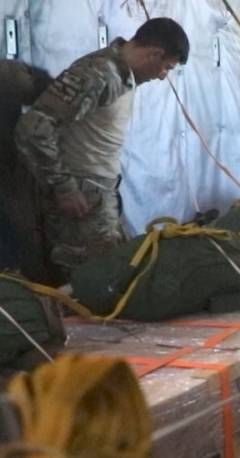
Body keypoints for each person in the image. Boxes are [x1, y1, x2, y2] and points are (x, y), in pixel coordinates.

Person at [14, 17, 189, 282]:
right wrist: (64, 188)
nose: (163, 76)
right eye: (167, 67)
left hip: (99, 194)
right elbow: (34, 127)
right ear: (155, 54)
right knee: (94, 284)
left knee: (114, 278)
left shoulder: (121, 76)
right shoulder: (99, 74)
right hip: (82, 197)